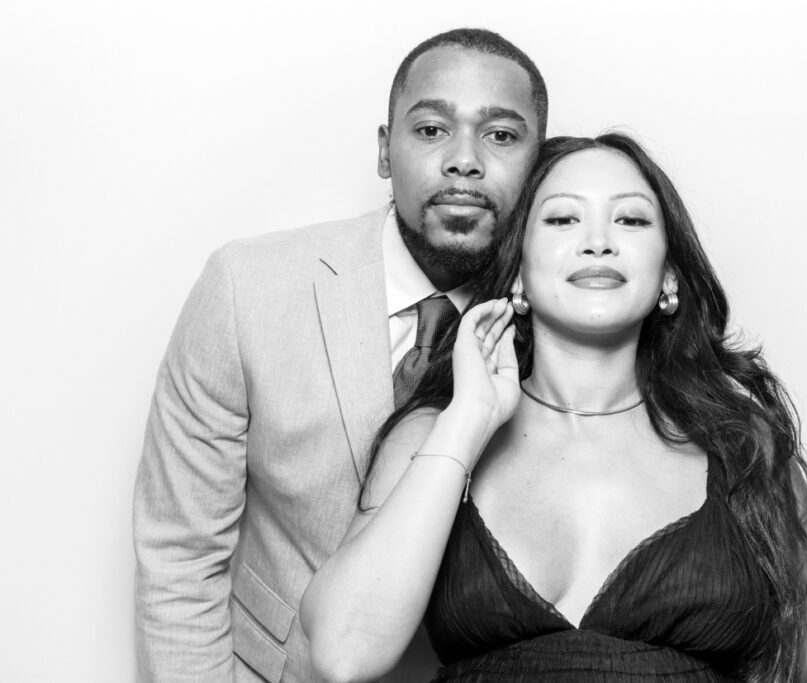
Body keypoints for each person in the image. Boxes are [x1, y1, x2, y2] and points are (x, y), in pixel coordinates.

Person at [300, 134, 807, 682]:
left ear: (669, 278)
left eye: (630, 219)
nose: (598, 239)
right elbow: (343, 652)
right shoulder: (434, 434)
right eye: (562, 218)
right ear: (520, 274)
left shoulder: (741, 445)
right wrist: (468, 420)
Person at [132, 28, 548, 682]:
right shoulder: (248, 289)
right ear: (385, 151)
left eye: (500, 135)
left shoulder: (576, 322)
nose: (464, 160)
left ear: (540, 163)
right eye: (432, 129)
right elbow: (180, 558)